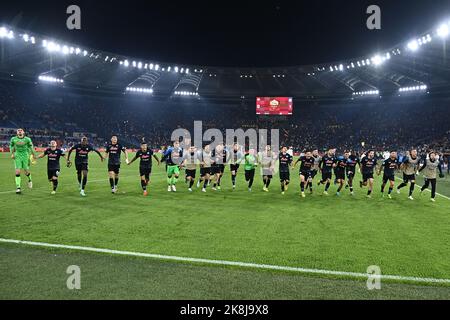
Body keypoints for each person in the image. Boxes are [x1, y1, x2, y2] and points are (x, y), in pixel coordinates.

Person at [10, 128, 37, 194]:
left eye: (21, 130)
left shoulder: (27, 139)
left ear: (23, 132)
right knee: (17, 171)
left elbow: (31, 147)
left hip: (25, 156)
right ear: (17, 133)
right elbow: (11, 146)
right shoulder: (13, 139)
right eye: (18, 130)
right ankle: (18, 188)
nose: (19, 131)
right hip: (17, 156)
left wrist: (34, 154)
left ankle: (30, 180)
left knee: (26, 171)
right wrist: (12, 154)